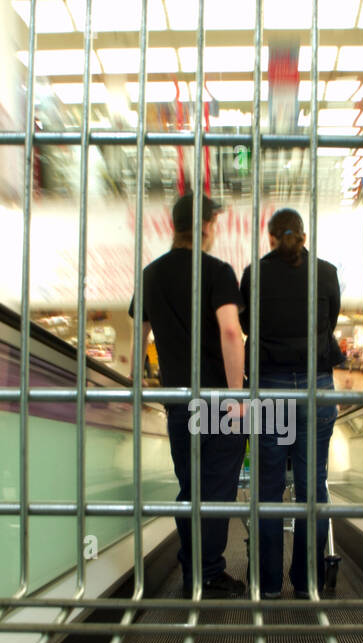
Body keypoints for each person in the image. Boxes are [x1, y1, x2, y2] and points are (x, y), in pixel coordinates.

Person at [130, 192, 247, 598]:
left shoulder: (151, 274)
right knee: (216, 490)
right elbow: (232, 332)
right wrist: (238, 397)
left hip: (178, 400)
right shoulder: (217, 271)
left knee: (190, 487)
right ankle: (209, 573)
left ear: (173, 227)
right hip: (216, 400)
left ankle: (192, 569)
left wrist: (134, 383)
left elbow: (139, 333)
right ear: (207, 227)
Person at [239, 208, 343, 599]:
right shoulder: (326, 272)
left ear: (270, 237)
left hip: (269, 387)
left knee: (267, 488)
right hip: (316, 385)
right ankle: (307, 582)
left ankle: (266, 585)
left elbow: (247, 325)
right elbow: (328, 321)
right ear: (303, 235)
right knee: (312, 488)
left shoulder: (255, 273)